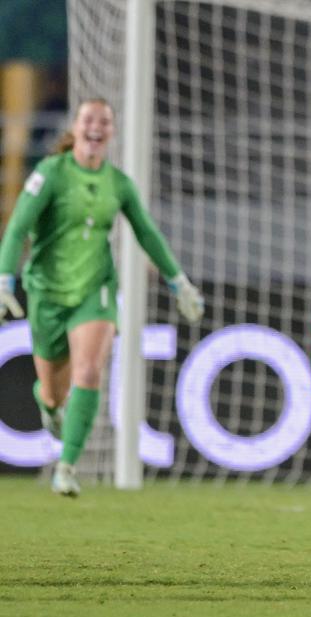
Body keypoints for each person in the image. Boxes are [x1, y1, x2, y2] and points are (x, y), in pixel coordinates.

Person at [0, 98, 203, 497]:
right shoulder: (50, 174)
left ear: (110, 132)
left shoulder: (119, 183)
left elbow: (147, 233)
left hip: (96, 290)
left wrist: (178, 281)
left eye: (104, 122)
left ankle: (67, 467)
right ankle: (49, 404)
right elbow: (18, 226)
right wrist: (6, 278)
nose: (96, 127)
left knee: (90, 370)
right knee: (55, 392)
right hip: (47, 292)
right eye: (89, 119)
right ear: (75, 128)